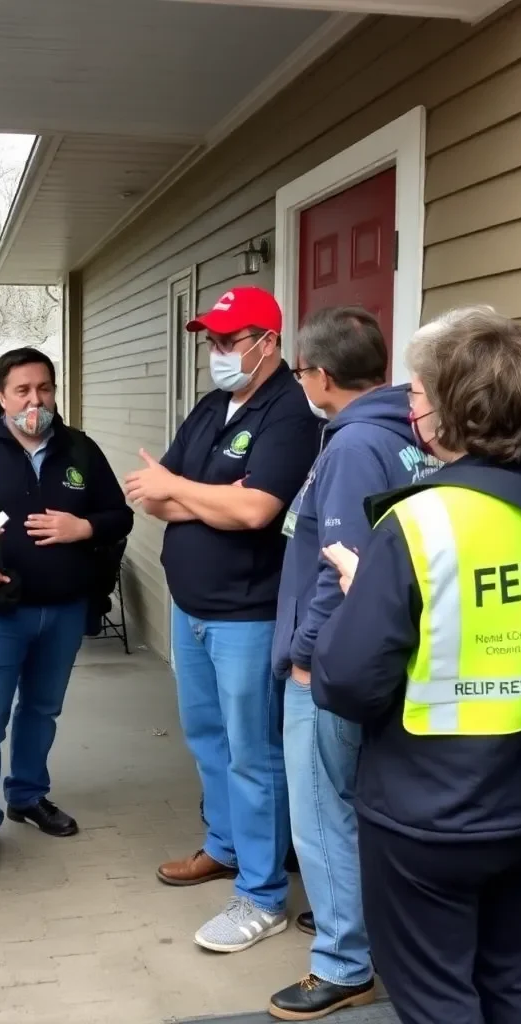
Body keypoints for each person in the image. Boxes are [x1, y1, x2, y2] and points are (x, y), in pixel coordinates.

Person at [312, 306, 521, 1024]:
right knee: (510, 982)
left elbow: (347, 682)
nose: (408, 406)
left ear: (456, 409)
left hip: (427, 818)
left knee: (436, 1000)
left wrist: (362, 599)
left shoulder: (419, 521)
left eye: (416, 394)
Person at [125, 286, 320, 953]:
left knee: (253, 755)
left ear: (268, 341)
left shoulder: (289, 414)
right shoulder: (213, 406)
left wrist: (186, 491)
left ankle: (261, 896)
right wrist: (203, 496)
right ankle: (226, 846)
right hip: (192, 608)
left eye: (229, 341)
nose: (216, 353)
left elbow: (257, 511)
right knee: (207, 737)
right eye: (210, 340)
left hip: (248, 614)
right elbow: (156, 498)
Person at [267, 307, 439, 1020]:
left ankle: (343, 963)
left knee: (320, 809)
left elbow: (344, 565)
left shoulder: (351, 446)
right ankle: (356, 924)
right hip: (385, 658)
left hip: (332, 666)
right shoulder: (408, 434)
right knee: (354, 802)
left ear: (322, 376)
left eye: (302, 371)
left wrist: (307, 657)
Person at [0, 347, 133, 875]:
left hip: (64, 611)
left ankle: (26, 795)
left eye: (44, 388)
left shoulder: (80, 451)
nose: (35, 400)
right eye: (22, 390)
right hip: (0, 613)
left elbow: (119, 515)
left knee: (42, 711)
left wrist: (83, 527)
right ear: (1, 394)